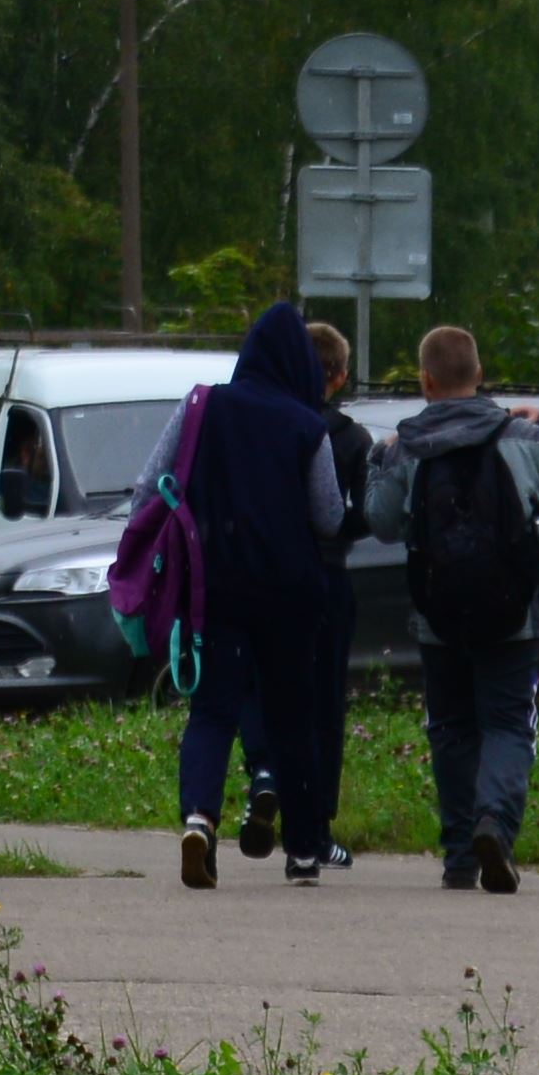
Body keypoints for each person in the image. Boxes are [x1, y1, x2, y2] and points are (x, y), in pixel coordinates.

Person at [174, 302, 353, 890]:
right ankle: (303, 851)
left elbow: (154, 484)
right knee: (292, 717)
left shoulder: (204, 407)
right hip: (289, 596)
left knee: (213, 709)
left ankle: (199, 819)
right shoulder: (307, 425)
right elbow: (328, 517)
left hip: (217, 586)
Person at [391, 322, 539, 894]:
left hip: (438, 615)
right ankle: (495, 823)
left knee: (452, 727)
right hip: (513, 611)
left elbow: (383, 521)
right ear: (479, 376)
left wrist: (380, 463)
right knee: (509, 723)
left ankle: (461, 855)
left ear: (426, 381)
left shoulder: (408, 446)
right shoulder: (517, 438)